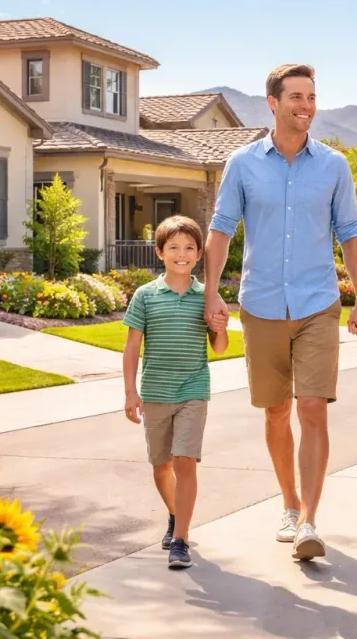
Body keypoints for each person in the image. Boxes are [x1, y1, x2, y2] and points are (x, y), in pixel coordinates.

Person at [204, 63, 357, 562]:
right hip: (260, 305)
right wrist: (211, 292)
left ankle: (308, 521)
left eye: (312, 97)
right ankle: (288, 502)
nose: (306, 105)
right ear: (273, 103)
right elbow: (221, 230)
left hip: (318, 302)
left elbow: (350, 233)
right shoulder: (242, 164)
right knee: (276, 411)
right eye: (296, 96)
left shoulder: (334, 166)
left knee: (312, 407)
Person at [122, 215, 229, 570]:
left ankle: (180, 540)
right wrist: (130, 392)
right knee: (161, 466)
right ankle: (174, 513)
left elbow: (219, 348)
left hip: (193, 389)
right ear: (159, 252)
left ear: (199, 254)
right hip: (155, 392)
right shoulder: (145, 296)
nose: (181, 254)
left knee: (185, 462)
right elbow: (132, 347)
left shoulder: (206, 296)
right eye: (174, 248)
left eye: (189, 248)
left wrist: (220, 326)